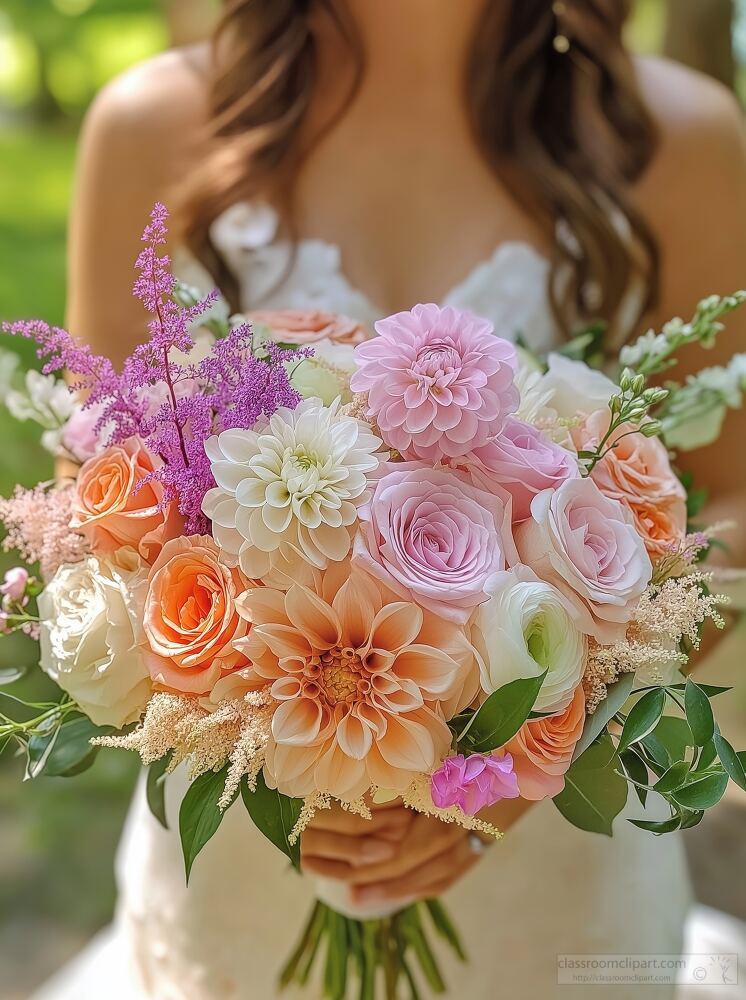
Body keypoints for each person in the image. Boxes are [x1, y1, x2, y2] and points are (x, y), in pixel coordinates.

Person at [35, 1, 746, 997]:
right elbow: (100, 489)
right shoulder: (148, 125)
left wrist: (505, 765)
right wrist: (249, 707)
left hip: (550, 889)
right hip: (246, 861)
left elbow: (731, 509)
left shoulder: (677, 138)